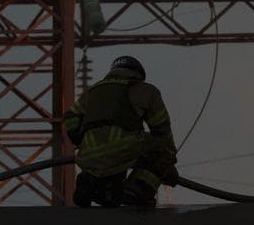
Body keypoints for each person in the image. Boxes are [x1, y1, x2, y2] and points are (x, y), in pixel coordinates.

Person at [63, 55, 179, 207]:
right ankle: (137, 190)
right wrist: (168, 164)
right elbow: (162, 130)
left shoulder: (93, 91)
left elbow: (71, 117)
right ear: (138, 74)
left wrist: (80, 140)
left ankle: (89, 184)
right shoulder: (146, 90)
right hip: (123, 150)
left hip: (88, 156)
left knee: (112, 200)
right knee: (161, 151)